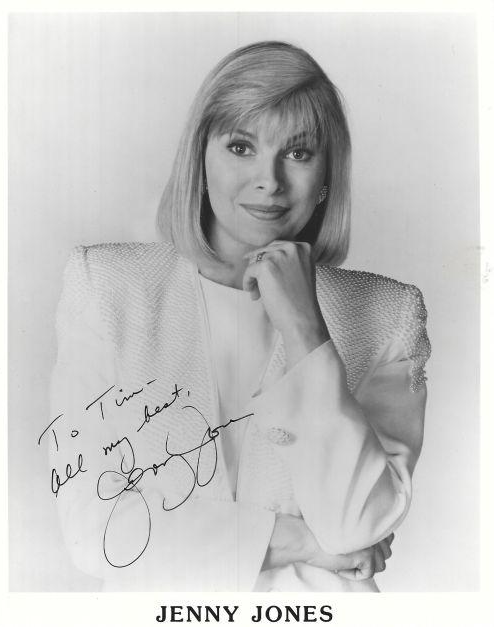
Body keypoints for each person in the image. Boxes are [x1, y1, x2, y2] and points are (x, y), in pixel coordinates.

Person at [48, 40, 431, 592]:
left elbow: (356, 524)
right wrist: (303, 542)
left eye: (298, 153)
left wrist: (305, 329)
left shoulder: (388, 314)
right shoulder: (108, 287)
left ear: (327, 176)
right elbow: (93, 531)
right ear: (200, 160)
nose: (270, 180)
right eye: (241, 146)